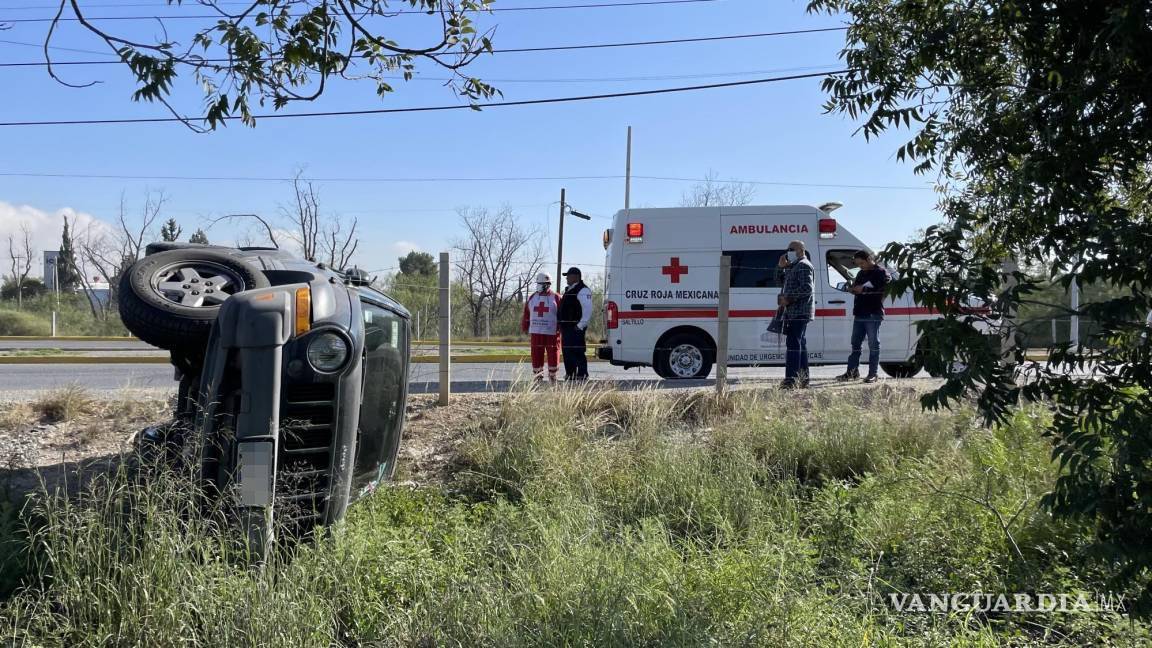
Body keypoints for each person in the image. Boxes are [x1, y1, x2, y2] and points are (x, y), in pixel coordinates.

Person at [837, 250, 890, 384]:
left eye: (861, 263)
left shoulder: (881, 273)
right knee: (855, 344)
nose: (860, 266)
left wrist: (864, 290)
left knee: (873, 345)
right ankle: (852, 372)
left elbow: (884, 290)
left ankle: (873, 374)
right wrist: (853, 289)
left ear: (868, 259)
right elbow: (856, 287)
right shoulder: (861, 273)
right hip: (859, 312)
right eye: (858, 264)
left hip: (873, 313)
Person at [777, 240, 815, 389]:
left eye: (791, 248)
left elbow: (807, 288)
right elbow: (779, 280)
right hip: (793, 311)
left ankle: (791, 380)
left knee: (793, 344)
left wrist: (789, 298)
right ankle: (803, 379)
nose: (788, 251)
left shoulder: (804, 265)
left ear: (801, 249)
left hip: (799, 310)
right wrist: (782, 268)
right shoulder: (794, 266)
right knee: (799, 344)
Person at [520, 272, 561, 383]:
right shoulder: (533, 297)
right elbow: (527, 313)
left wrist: (561, 328)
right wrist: (525, 325)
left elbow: (561, 316)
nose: (539, 286)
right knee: (536, 354)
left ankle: (553, 377)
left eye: (541, 284)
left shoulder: (556, 298)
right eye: (538, 283)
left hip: (552, 333)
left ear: (547, 284)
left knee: (553, 354)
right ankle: (538, 377)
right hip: (536, 332)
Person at [559, 266, 593, 381]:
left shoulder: (583, 290)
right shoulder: (569, 289)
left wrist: (580, 326)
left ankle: (583, 374)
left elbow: (587, 310)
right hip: (567, 328)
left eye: (568, 276)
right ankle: (571, 374)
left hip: (576, 328)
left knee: (577, 351)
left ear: (576, 277)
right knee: (567, 352)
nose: (566, 278)